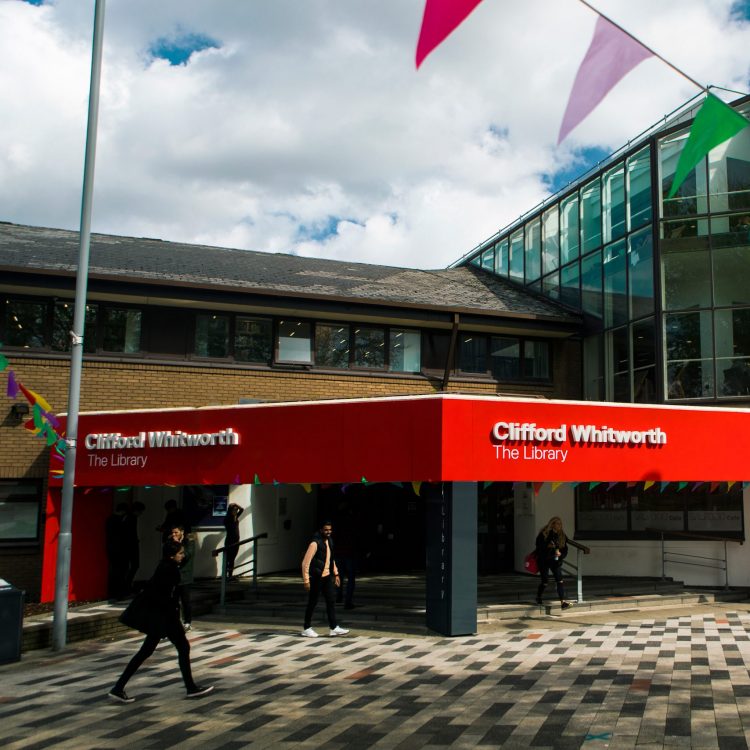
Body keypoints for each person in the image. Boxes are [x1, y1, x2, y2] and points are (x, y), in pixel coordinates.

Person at [108, 540, 213, 703]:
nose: (183, 555)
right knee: (182, 647)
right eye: (180, 553)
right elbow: (165, 597)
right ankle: (191, 688)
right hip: (165, 618)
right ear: (172, 556)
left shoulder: (165, 565)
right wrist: (173, 618)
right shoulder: (169, 570)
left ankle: (118, 687)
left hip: (160, 618)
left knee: (147, 651)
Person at [300, 521, 349, 638]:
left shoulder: (330, 542)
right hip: (316, 578)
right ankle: (307, 627)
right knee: (313, 602)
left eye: (330, 530)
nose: (328, 532)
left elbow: (331, 560)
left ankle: (333, 627)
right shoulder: (314, 543)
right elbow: (305, 563)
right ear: (321, 530)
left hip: (327, 577)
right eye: (326, 530)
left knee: (331, 601)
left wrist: (336, 574)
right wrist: (306, 580)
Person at [534, 516, 572, 610]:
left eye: (561, 524)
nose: (560, 525)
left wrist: (561, 555)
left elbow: (565, 549)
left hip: (555, 561)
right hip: (544, 560)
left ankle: (563, 603)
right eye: (558, 523)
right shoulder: (545, 534)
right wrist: (548, 546)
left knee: (560, 580)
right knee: (545, 581)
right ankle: (538, 597)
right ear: (553, 524)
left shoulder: (562, 535)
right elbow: (538, 546)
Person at [170, 525, 194, 632]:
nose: (174, 535)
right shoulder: (170, 541)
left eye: (176, 532)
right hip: (174, 575)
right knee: (174, 600)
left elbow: (187, 554)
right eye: (173, 533)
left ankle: (187, 621)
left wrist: (178, 544)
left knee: (185, 600)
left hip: (185, 575)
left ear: (182, 532)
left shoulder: (189, 541)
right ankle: (175, 621)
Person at [105, 502, 128, 599]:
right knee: (121, 571)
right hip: (120, 549)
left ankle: (112, 592)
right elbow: (122, 535)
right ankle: (119, 592)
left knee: (114, 570)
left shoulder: (109, 520)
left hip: (111, 548)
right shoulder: (120, 521)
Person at [123, 501, 145, 594]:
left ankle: (126, 585)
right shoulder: (132, 518)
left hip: (127, 545)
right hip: (131, 545)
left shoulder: (126, 517)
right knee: (134, 565)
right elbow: (131, 533)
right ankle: (127, 585)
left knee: (129, 566)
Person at [222, 503, 243, 579]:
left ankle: (230, 575)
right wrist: (233, 516)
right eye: (234, 510)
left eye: (236, 510)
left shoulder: (236, 517)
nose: (236, 511)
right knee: (227, 559)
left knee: (232, 559)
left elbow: (242, 509)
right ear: (230, 511)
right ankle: (225, 575)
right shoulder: (227, 519)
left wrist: (236, 505)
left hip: (236, 541)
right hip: (230, 541)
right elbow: (230, 528)